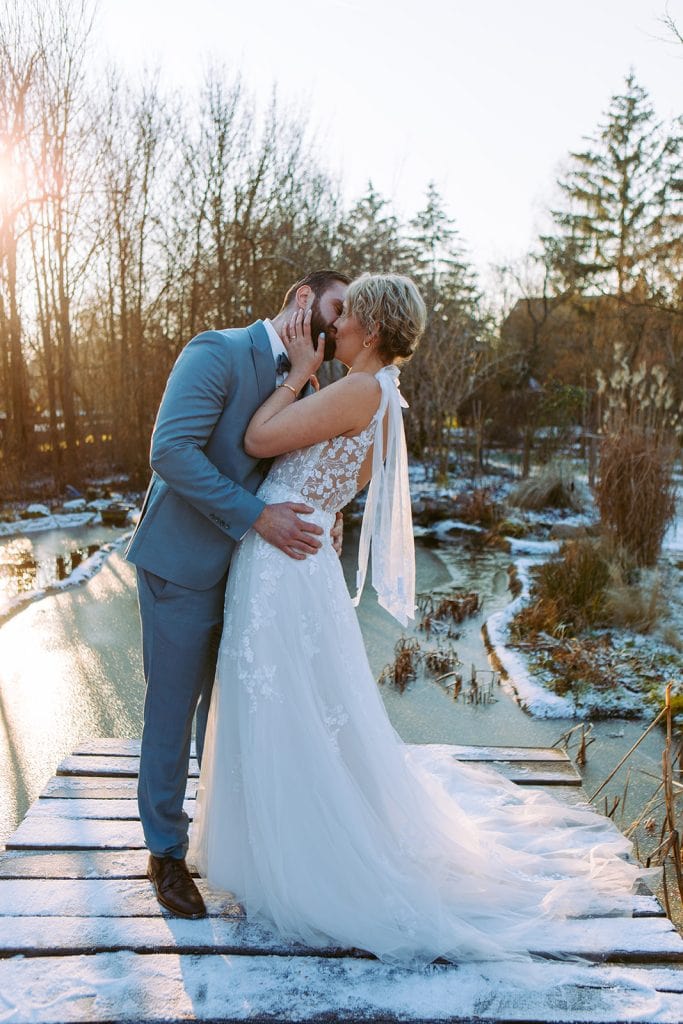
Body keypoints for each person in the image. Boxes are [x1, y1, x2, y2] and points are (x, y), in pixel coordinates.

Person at [189, 273, 651, 968]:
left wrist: (298, 376)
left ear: (369, 332)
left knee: (282, 700)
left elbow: (258, 440)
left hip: (283, 565)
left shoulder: (355, 388)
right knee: (296, 702)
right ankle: (286, 840)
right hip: (300, 555)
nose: (333, 327)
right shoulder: (384, 400)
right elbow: (332, 479)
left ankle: (297, 857)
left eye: (344, 319)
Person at [126, 269, 350, 919]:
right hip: (181, 565)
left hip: (254, 579)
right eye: (337, 310)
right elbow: (169, 451)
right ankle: (165, 855)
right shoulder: (216, 352)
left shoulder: (315, 382)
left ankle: (224, 842)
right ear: (304, 301)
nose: (340, 329)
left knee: (229, 719)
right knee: (172, 715)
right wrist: (256, 515)